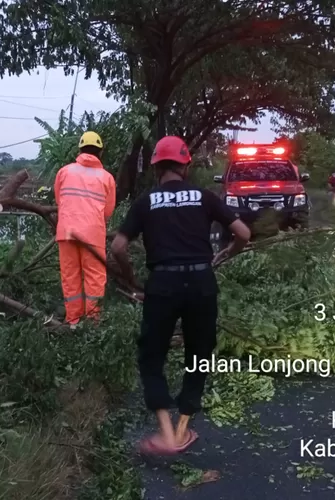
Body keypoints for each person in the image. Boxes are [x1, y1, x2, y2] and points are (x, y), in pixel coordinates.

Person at [110, 136, 251, 455]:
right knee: (199, 354)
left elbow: (117, 247)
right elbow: (243, 233)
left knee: (151, 355)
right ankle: (183, 428)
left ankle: (165, 433)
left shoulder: (147, 201)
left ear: (157, 167)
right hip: (202, 282)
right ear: (185, 166)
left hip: (163, 284)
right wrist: (226, 253)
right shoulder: (204, 197)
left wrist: (133, 281)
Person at [54, 131, 116, 326]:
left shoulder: (64, 172)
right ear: (100, 152)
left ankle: (73, 320)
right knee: (95, 278)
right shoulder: (106, 177)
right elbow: (108, 210)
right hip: (93, 234)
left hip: (67, 232)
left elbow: (59, 201)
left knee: (70, 276)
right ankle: (93, 322)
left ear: (80, 149)